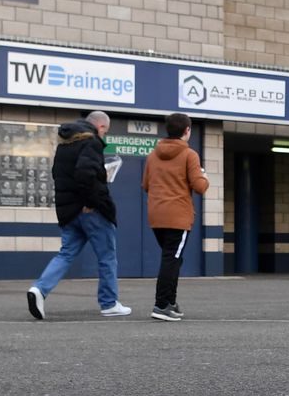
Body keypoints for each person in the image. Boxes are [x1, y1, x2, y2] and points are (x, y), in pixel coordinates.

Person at [26, 111, 128, 320]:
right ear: (100, 127)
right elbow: (85, 174)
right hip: (90, 212)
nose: (104, 136)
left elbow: (60, 174)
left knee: (65, 254)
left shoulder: (64, 144)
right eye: (105, 132)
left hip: (69, 212)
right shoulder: (92, 143)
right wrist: (91, 202)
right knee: (107, 257)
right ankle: (109, 304)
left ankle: (39, 289)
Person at [140, 113, 209, 321]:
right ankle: (161, 305)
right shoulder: (190, 155)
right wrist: (204, 177)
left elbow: (145, 186)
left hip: (156, 215)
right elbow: (199, 187)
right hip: (178, 216)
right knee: (171, 258)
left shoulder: (153, 155)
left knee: (173, 258)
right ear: (187, 130)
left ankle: (170, 302)